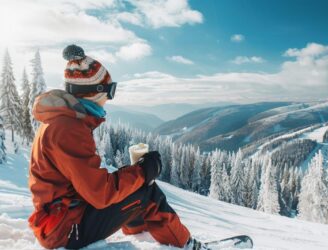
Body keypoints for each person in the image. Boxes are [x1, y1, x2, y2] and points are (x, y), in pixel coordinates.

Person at [28, 45, 202, 249]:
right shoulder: (68, 129)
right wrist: (143, 171)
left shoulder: (63, 123)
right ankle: (186, 245)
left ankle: (141, 231)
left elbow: (90, 184)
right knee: (148, 191)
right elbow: (101, 194)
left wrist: (137, 173)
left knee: (134, 185)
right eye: (109, 90)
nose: (110, 98)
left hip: (61, 220)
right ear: (93, 93)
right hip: (65, 231)